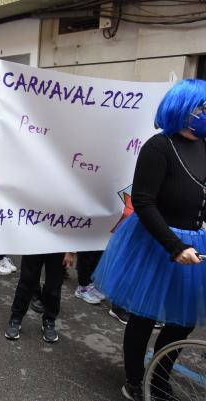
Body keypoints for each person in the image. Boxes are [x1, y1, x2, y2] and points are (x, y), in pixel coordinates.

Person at [92, 79, 206, 401]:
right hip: (156, 242)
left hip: (195, 241)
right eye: (204, 108)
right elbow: (143, 202)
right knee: (144, 315)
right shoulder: (158, 147)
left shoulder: (204, 144)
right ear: (185, 109)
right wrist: (174, 246)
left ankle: (159, 375)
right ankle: (133, 381)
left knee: (182, 322)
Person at [4, 252, 76, 343]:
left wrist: (71, 252)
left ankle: (49, 321)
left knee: (54, 285)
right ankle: (15, 319)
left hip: (61, 244)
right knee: (27, 280)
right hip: (35, 240)